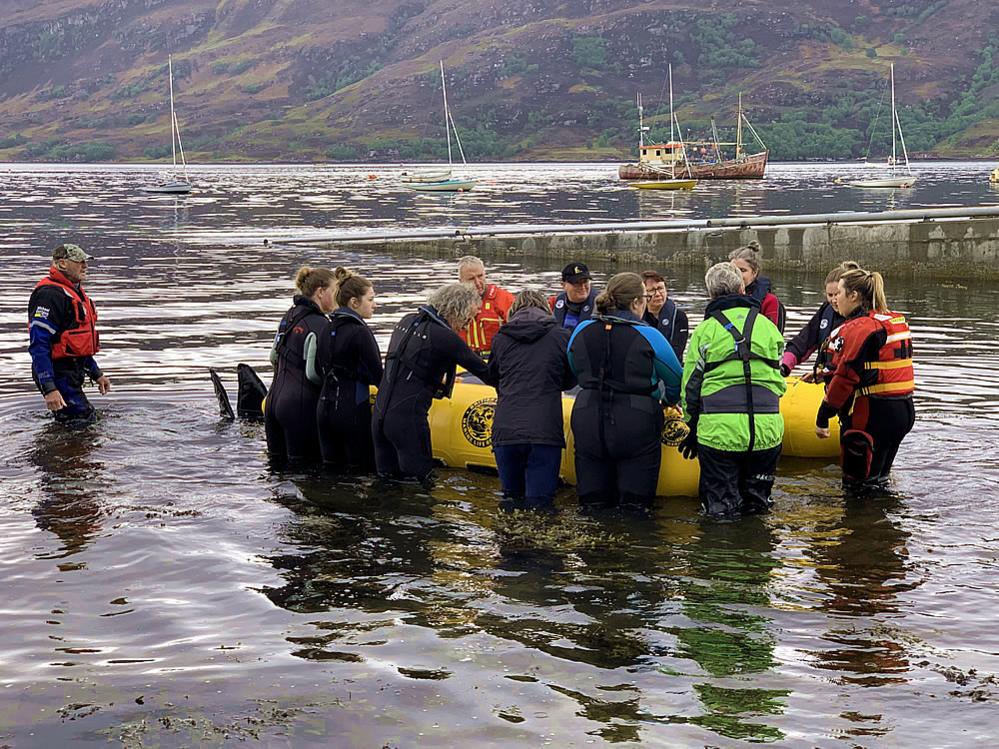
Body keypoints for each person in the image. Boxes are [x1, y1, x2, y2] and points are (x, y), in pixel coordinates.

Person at [679, 262, 786, 520]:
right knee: (758, 507)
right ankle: (760, 553)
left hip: (719, 435)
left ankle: (721, 555)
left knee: (720, 512)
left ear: (710, 294)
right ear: (741, 287)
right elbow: (778, 380)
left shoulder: (706, 331)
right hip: (766, 432)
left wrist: (690, 428)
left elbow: (691, 386)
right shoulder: (767, 327)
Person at [567, 272, 683, 511]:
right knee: (635, 508)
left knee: (592, 505)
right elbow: (676, 379)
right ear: (636, 303)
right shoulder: (650, 336)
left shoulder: (582, 329)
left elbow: (573, 365)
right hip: (636, 420)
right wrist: (668, 401)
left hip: (589, 415)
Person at [372, 283, 492, 486]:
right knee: (419, 487)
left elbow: (410, 362)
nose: (467, 326)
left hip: (380, 416)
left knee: (386, 484)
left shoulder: (407, 321)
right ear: (456, 310)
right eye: (468, 318)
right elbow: (488, 373)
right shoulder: (444, 337)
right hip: (407, 421)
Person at [815, 268, 915, 493]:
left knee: (857, 488)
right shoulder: (892, 320)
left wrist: (823, 416)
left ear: (854, 296)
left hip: (871, 415)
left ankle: (862, 526)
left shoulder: (860, 328)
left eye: (838, 293)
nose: (835, 299)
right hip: (903, 412)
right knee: (880, 481)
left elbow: (845, 377)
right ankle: (883, 525)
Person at [487, 290, 576, 511]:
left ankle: (507, 543)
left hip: (506, 431)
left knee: (510, 500)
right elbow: (570, 380)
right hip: (544, 432)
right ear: (545, 309)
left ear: (513, 311)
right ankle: (539, 544)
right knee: (541, 504)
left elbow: (494, 377)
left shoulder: (500, 338)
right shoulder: (561, 336)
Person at [28, 243, 111, 424]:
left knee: (82, 422)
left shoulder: (74, 293)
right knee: (82, 421)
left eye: (85, 262)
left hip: (71, 370)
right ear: (62, 264)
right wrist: (50, 388)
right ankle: (63, 450)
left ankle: (65, 448)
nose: (85, 266)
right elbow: (39, 344)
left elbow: (76, 345)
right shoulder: (49, 295)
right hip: (57, 373)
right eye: (79, 261)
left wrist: (97, 374)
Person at [265, 266, 337, 465]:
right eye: (334, 291)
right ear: (320, 292)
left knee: (276, 469)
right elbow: (312, 373)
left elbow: (273, 356)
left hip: (273, 402)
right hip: (299, 406)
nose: (337, 297)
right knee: (304, 472)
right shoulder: (320, 324)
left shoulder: (289, 316)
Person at [316, 267, 382, 472]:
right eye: (370, 300)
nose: (375, 305)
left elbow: (319, 369)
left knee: (331, 473)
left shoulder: (327, 327)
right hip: (351, 410)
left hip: (324, 410)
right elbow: (378, 377)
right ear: (354, 302)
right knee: (360, 473)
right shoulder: (360, 331)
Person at [780, 261, 861, 379]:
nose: (834, 300)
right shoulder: (826, 311)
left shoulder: (862, 318)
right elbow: (804, 341)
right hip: (822, 377)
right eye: (830, 295)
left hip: (843, 380)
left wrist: (825, 372)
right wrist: (785, 364)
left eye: (837, 294)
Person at [456, 255, 515, 356]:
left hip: (497, 358)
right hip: (464, 359)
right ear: (461, 281)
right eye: (471, 279)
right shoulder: (454, 304)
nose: (478, 283)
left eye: (480, 276)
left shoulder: (504, 299)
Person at [729, 241, 786, 332]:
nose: (737, 275)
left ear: (754, 272)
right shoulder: (723, 298)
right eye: (733, 270)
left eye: (743, 270)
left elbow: (774, 337)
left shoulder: (770, 301)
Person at [640, 270, 690, 360]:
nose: (658, 294)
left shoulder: (679, 317)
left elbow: (677, 350)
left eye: (660, 288)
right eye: (651, 290)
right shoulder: (638, 317)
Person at [549, 262, 597, 330]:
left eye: (585, 282)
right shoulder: (557, 302)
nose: (582, 287)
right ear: (563, 285)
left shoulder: (600, 305)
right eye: (576, 283)